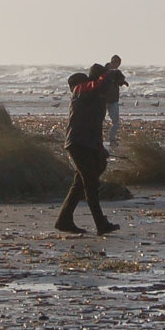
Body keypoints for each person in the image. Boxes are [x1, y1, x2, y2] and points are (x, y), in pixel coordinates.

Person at [55, 64, 123, 235]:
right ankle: (101, 224)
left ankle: (64, 220)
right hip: (78, 143)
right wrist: (111, 73)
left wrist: (100, 148)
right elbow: (100, 84)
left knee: (81, 183)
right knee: (90, 183)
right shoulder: (80, 89)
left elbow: (94, 126)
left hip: (89, 143)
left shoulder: (95, 96)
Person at [103, 54, 128, 149]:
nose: (117, 66)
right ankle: (100, 139)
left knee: (115, 121)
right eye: (117, 63)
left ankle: (112, 139)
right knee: (100, 121)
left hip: (113, 100)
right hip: (104, 100)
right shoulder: (104, 71)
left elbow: (121, 80)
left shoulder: (117, 72)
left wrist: (123, 82)